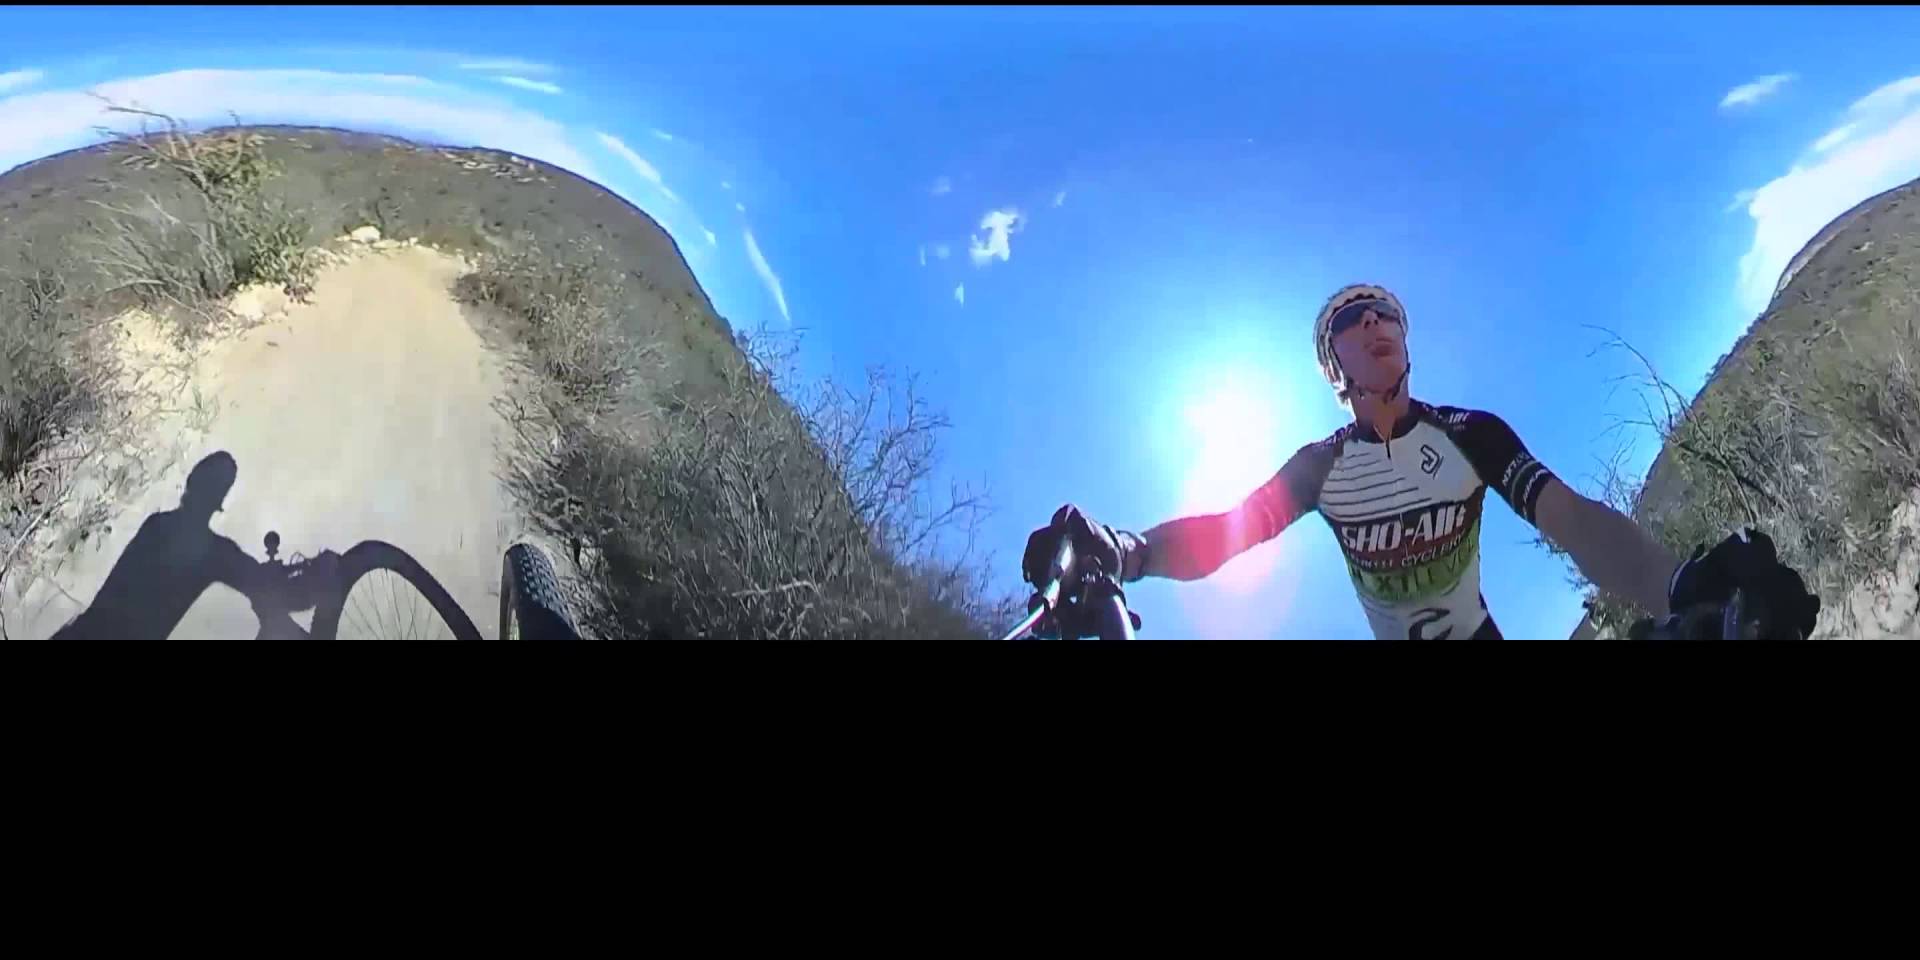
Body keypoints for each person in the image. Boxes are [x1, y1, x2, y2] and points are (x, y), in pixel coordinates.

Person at [1024, 283, 1821, 639]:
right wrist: (1127, 550)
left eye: (1387, 314)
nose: (1375, 322)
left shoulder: (1469, 433)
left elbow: (1573, 522)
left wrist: (1678, 585)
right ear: (1333, 371)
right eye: (1352, 319)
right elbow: (1227, 533)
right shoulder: (1321, 467)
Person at [51, 451, 286, 640]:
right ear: (218, 500)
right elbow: (259, 579)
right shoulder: (213, 551)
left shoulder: (157, 525)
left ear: (191, 482)